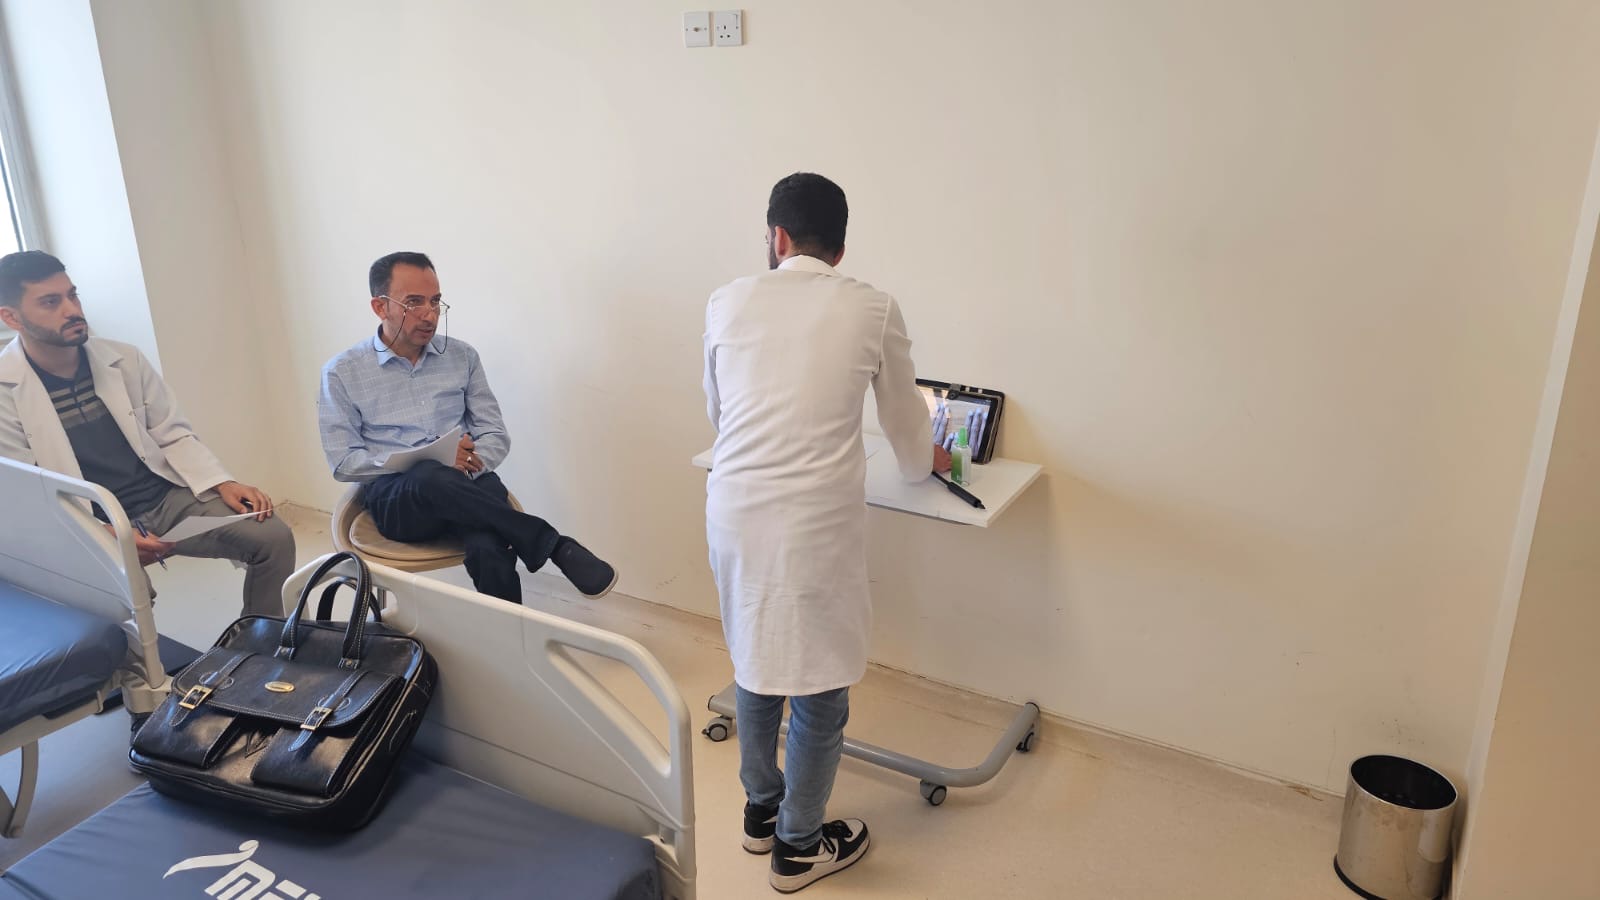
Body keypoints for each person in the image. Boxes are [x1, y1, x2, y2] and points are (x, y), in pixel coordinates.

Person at [702, 173, 950, 893]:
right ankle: (799, 848)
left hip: (733, 509)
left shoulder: (726, 300)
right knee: (819, 686)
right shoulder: (872, 306)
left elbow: (720, 412)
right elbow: (907, 434)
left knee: (754, 658)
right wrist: (926, 462)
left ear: (777, 237)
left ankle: (761, 813)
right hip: (813, 524)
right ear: (840, 248)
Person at [0, 250, 295, 623]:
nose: (72, 310)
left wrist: (223, 482)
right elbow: (30, 492)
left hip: (163, 500)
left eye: (73, 295)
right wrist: (106, 533)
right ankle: (139, 659)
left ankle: (260, 641)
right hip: (89, 520)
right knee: (128, 596)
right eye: (50, 302)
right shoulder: (5, 389)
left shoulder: (125, 359)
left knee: (272, 537)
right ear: (11, 318)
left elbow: (172, 432)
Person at [318, 251, 616, 604]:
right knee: (429, 474)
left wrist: (467, 463)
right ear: (380, 307)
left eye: (435, 301)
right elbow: (344, 462)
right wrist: (423, 461)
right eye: (414, 302)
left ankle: (507, 633)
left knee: (488, 547)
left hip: (467, 483)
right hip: (399, 500)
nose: (429, 314)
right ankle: (553, 545)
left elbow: (494, 434)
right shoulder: (342, 372)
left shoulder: (462, 357)